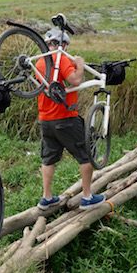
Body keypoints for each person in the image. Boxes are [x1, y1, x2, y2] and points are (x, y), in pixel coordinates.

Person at [35, 29, 105, 211]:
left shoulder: (41, 62)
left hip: (45, 120)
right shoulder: (63, 59)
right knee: (86, 153)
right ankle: (88, 197)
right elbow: (74, 80)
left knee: (48, 158)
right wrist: (79, 65)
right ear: (63, 45)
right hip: (65, 118)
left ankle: (47, 197)